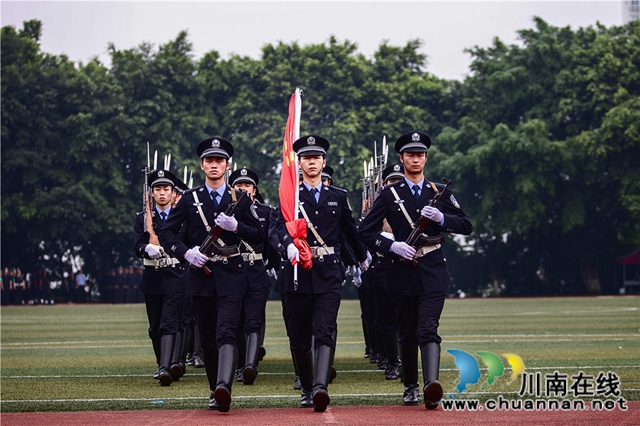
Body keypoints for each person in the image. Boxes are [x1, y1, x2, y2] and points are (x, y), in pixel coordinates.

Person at [358, 132, 473, 410]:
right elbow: (365, 231)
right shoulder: (389, 194)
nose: (415, 158)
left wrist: (443, 217)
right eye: (410, 154)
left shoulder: (438, 192)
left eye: (420, 154)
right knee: (408, 332)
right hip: (402, 270)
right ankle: (410, 385)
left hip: (433, 268)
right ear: (402, 158)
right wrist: (392, 246)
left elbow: (466, 225)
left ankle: (430, 386)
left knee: (428, 329)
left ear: (426, 158)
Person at [159, 137, 263, 412]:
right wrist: (185, 252)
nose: (214, 165)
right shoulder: (190, 198)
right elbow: (166, 232)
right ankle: (214, 389)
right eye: (209, 161)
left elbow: (260, 235)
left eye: (219, 161)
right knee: (206, 336)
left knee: (226, 331)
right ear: (202, 165)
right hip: (200, 274)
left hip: (231, 273)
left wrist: (237, 225)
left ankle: (223, 387)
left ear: (227, 166)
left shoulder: (239, 199)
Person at [272, 135, 368, 412]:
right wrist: (286, 246)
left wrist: (363, 258)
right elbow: (276, 229)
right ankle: (306, 386)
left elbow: (350, 231)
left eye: (316, 157)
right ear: (299, 163)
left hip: (328, 274)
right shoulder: (289, 197)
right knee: (299, 336)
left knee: (325, 331)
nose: (311, 162)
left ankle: (320, 387)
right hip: (295, 275)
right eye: (306, 158)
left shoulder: (338, 196)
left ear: (323, 162)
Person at [134, 168, 186, 386]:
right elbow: (136, 245)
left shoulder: (181, 217)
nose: (162, 193)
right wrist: (147, 248)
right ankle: (161, 364)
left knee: (169, 323)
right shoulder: (143, 218)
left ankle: (166, 367)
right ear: (152, 193)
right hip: (153, 277)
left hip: (175, 276)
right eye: (158, 189)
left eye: (166, 189)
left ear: (173, 192)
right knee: (155, 326)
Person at [228, 167, 279, 385]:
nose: (243, 188)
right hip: (233, 270)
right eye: (239, 185)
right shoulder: (226, 212)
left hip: (257, 269)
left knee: (254, 319)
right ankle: (241, 365)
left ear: (254, 190)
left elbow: (270, 241)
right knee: (237, 320)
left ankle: (250, 365)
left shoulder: (266, 212)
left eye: (247, 185)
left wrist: (274, 264)